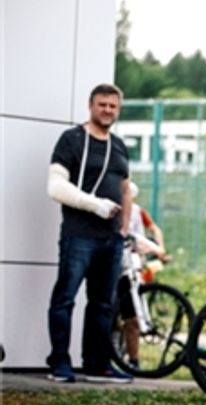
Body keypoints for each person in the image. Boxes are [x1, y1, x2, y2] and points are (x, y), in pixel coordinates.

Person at [46, 83, 134, 384]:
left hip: (111, 238)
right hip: (79, 234)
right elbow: (55, 187)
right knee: (65, 298)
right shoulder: (72, 140)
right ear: (91, 106)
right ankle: (59, 362)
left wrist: (125, 229)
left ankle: (97, 364)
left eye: (112, 106)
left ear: (118, 110)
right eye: (102, 104)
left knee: (103, 304)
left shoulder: (119, 145)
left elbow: (126, 190)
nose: (107, 110)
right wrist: (94, 205)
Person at [117, 183, 170, 370]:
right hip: (115, 265)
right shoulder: (114, 209)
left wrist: (158, 249)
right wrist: (157, 250)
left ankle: (134, 361)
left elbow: (149, 231)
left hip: (130, 265)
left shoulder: (138, 211)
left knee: (132, 317)